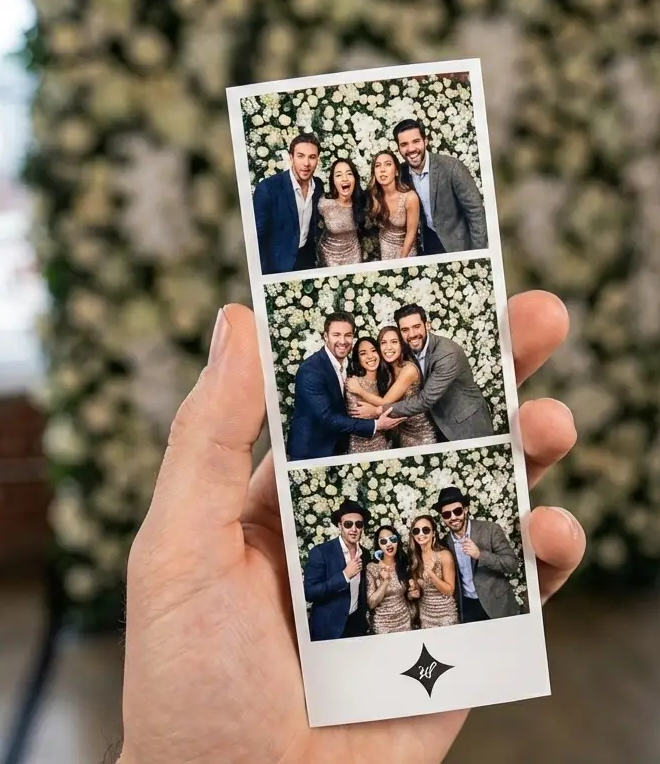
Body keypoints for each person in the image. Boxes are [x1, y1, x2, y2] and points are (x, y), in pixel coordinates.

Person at [116, 292, 585, 763]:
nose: (424, 532)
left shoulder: (417, 369)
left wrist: (373, 409)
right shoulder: (326, 546)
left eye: (432, 525)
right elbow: (345, 589)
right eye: (364, 527)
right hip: (342, 645)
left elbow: (407, 408)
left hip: (446, 598)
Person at [355, 303, 493, 442]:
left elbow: (425, 400)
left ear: (427, 325)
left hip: (465, 424)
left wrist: (377, 410)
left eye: (416, 327)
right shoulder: (407, 350)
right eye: (405, 330)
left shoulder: (447, 354)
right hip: (432, 424)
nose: (412, 334)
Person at [286, 312, 400, 460]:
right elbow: (327, 418)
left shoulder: (348, 366)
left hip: (339, 447)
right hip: (312, 451)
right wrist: (376, 425)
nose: (343, 341)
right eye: (336, 335)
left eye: (348, 335)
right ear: (325, 336)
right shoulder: (311, 370)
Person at [393, 118, 488, 255]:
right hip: (425, 247)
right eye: (404, 144)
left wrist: (478, 254)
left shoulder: (452, 167)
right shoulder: (400, 175)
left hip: (457, 246)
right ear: (399, 149)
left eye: (416, 141)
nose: (411, 149)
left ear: (425, 141)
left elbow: (476, 212)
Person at [435, 486, 521, 623]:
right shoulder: (445, 543)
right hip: (467, 608)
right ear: (443, 518)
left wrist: (480, 554)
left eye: (457, 511)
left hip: (497, 605)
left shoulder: (490, 529)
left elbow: (512, 564)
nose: (453, 517)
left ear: (465, 509)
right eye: (447, 514)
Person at [347, 325, 437, 449]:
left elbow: (386, 402)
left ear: (402, 345)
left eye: (394, 342)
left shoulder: (408, 369)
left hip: (421, 434)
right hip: (402, 433)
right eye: (383, 343)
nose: (388, 347)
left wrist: (360, 391)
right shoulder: (387, 370)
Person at [253, 132, 325, 275]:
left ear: (317, 159)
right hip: (278, 266)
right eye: (300, 156)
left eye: (312, 157)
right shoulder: (268, 188)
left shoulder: (318, 185)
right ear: (291, 157)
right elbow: (257, 239)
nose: (306, 163)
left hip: (307, 260)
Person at [303, 500, 372, 641]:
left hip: (356, 627)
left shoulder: (365, 554)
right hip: (328, 630)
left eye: (358, 524)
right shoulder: (321, 552)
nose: (354, 529)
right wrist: (345, 575)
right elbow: (309, 593)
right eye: (348, 524)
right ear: (340, 526)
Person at [366, 149, 420, 260]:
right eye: (377, 166)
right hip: (385, 248)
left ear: (396, 172)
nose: (382, 170)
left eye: (388, 164)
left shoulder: (410, 197)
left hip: (406, 251)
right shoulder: (373, 195)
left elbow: (411, 234)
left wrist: (401, 261)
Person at [409, 514, 458, 629]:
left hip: (445, 615)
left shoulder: (444, 555)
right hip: (425, 615)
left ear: (434, 533)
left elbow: (449, 591)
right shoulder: (415, 556)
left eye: (425, 530)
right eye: (416, 531)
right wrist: (412, 593)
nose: (421, 534)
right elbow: (418, 589)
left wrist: (431, 574)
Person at [344, 336, 391, 454]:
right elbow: (359, 417)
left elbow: (396, 416)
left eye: (373, 350)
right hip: (359, 448)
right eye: (363, 353)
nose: (370, 356)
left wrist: (375, 410)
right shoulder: (353, 383)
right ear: (358, 359)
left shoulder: (387, 381)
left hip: (383, 445)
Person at [365, 525, 415, 635]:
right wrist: (385, 582)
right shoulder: (372, 568)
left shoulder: (403, 564)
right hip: (382, 625)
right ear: (378, 545)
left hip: (404, 621)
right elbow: (371, 603)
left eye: (392, 539)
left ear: (397, 541)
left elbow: (408, 596)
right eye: (383, 541)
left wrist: (413, 593)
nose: (389, 544)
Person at [317, 158, 366, 268]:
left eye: (349, 174)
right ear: (333, 181)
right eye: (338, 175)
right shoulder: (324, 203)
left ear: (355, 178)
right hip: (329, 258)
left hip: (354, 256)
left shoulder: (361, 202)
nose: (344, 179)